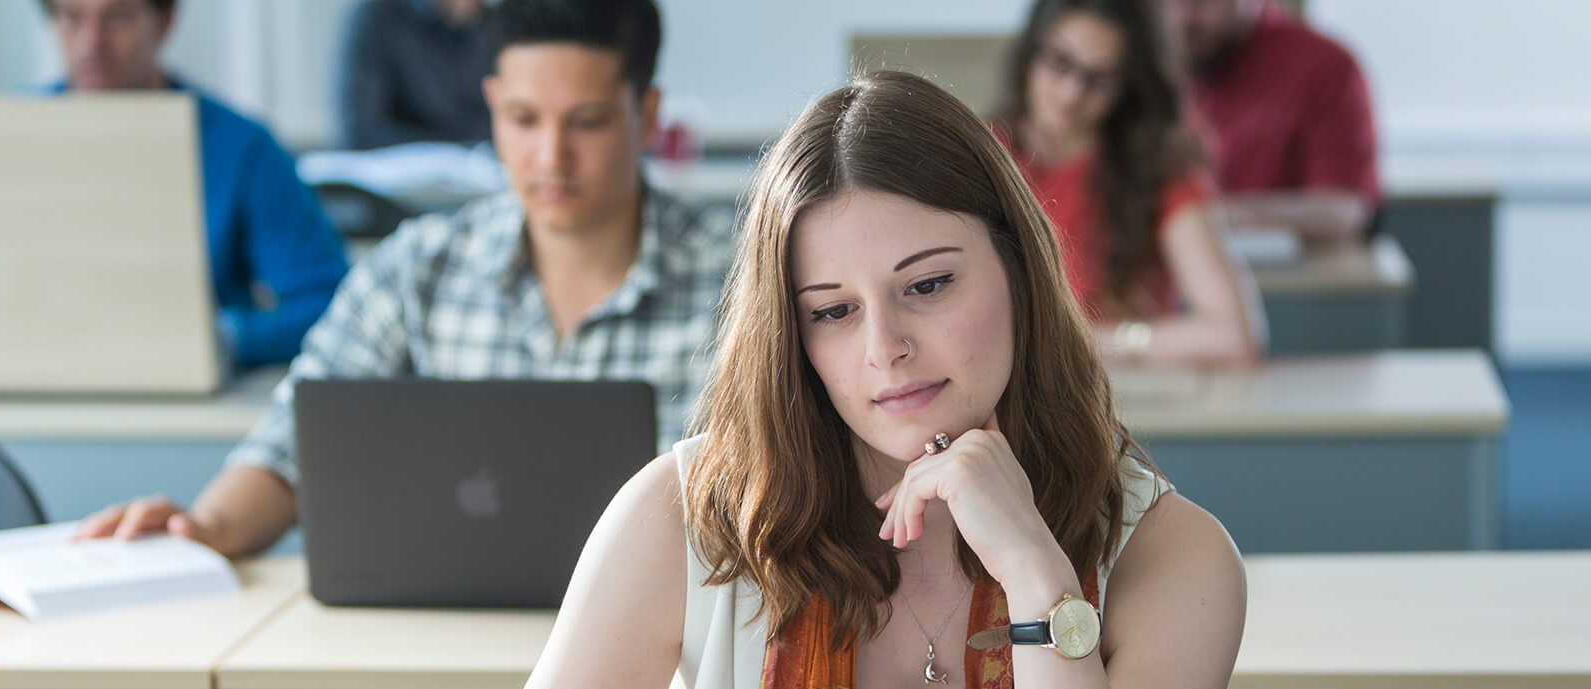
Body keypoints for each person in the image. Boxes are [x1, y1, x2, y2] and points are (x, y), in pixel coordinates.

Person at [526, 71, 1245, 688]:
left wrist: (1036, 572)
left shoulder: (1171, 554)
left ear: (1020, 271)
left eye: (928, 285)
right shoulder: (682, 513)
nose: (884, 347)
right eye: (833, 310)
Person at [76, 0, 733, 559]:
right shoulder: (418, 267)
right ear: (493, 105)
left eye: (586, 121)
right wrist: (206, 528)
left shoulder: (741, 286)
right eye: (524, 119)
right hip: (439, 639)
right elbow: (292, 445)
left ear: (645, 116)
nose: (550, 156)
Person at [43, 0, 350, 367]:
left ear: (165, 21)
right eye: (70, 18)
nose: (91, 43)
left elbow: (331, 301)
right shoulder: (6, 134)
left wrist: (228, 338)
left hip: (180, 402)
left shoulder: (241, 147)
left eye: (118, 19)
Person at [994, 0, 1261, 364]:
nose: (1072, 93)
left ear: (1129, 85)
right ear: (1029, 52)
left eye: (1099, 79)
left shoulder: (1161, 169)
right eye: (1059, 63)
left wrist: (1091, 342)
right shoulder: (978, 152)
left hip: (1110, 396)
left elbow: (1234, 337)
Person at [1158, 0, 1381, 243]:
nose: (1183, 17)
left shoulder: (1324, 66)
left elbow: (1344, 209)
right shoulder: (1143, 61)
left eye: (1203, 3)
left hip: (1286, 273)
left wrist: (1210, 218)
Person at [337, 0, 494, 149]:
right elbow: (361, 131)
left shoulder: (496, 24)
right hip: (399, 169)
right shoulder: (378, 18)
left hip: (482, 169)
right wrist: (455, 146)